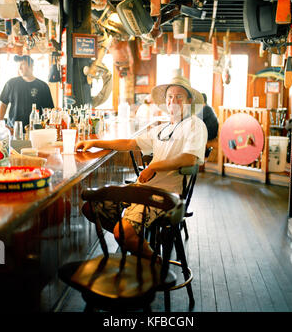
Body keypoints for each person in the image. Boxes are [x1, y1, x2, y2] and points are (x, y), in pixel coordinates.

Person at [75, 72, 208, 260]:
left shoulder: (195, 125)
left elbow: (189, 159)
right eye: (170, 97)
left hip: (166, 196)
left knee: (122, 233)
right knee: (91, 208)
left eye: (179, 97)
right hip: (144, 189)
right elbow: (130, 144)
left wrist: (154, 167)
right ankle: (130, 235)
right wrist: (96, 143)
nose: (174, 101)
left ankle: (154, 262)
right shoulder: (163, 128)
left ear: (189, 100)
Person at [0, 55, 54, 129]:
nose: (19, 68)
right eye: (18, 65)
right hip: (13, 129)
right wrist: (0, 124)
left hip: (35, 130)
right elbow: (3, 104)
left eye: (22, 64)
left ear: (31, 65)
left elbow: (48, 110)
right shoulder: (11, 83)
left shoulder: (43, 86)